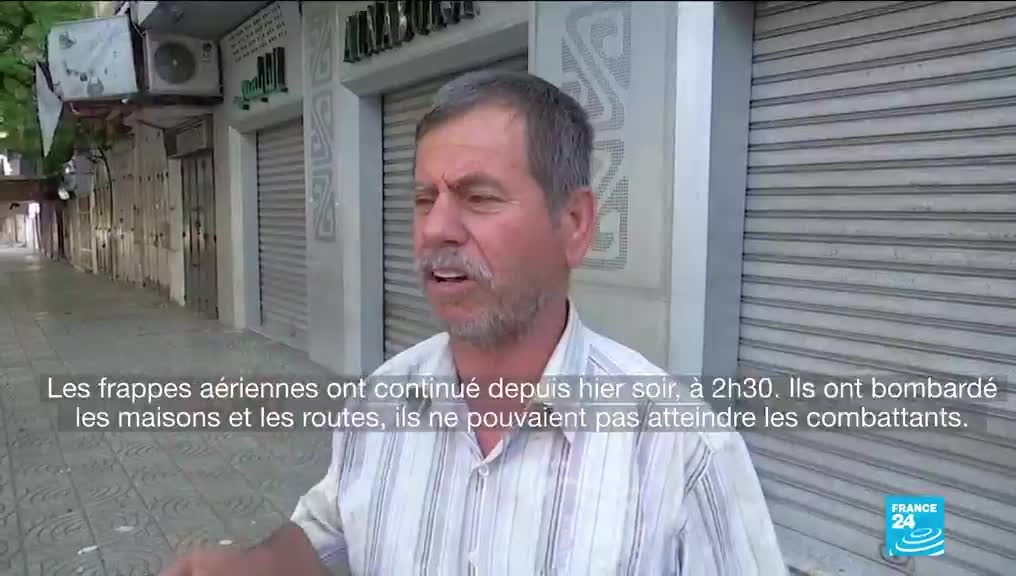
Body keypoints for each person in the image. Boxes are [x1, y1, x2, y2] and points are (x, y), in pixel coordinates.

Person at [161, 69, 787, 576]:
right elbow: (330, 535)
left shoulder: (684, 455)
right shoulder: (380, 403)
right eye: (424, 199)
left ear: (574, 225)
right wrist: (259, 565)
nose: (436, 228)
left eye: (479, 197)